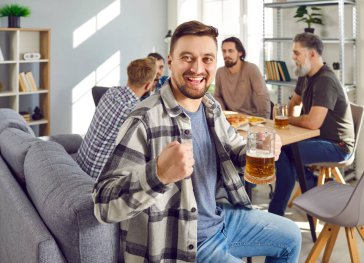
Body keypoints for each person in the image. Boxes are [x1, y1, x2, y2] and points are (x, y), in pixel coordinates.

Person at [93, 20, 301, 263]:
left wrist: (256, 152)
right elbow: (103, 205)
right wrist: (158, 174)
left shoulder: (211, 106)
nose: (197, 68)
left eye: (207, 59)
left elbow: (235, 150)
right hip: (186, 244)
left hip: (221, 218)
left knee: (291, 237)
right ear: (170, 61)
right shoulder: (143, 120)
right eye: (187, 58)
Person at [268, 32, 355, 216]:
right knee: (284, 148)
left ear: (312, 54)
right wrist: (286, 129)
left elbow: (313, 123)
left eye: (296, 53)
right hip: (317, 139)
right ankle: (313, 187)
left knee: (285, 152)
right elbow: (294, 103)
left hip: (338, 146)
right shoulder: (305, 74)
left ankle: (275, 214)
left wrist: (287, 121)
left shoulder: (325, 80)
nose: (293, 57)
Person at [76, 57, 156, 178]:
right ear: (148, 85)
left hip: (81, 162)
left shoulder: (111, 92)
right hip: (96, 175)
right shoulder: (135, 112)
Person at [214, 37, 271, 118]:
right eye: (224, 51)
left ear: (240, 52)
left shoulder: (251, 69)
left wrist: (264, 120)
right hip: (231, 119)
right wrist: (223, 115)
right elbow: (217, 96)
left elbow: (262, 95)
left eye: (230, 51)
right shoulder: (220, 72)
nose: (226, 54)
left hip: (251, 119)